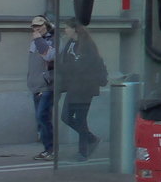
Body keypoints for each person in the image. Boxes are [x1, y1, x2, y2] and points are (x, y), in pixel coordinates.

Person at [56, 18, 107, 161]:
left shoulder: (87, 45)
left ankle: (83, 151)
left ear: (74, 29)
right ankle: (91, 138)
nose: (65, 30)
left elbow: (82, 67)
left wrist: (65, 68)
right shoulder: (70, 43)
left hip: (84, 87)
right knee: (66, 116)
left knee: (80, 119)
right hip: (73, 86)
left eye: (67, 27)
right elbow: (66, 63)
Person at [26, 15, 56, 161]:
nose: (36, 28)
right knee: (41, 119)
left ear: (47, 25)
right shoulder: (34, 41)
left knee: (43, 117)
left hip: (47, 86)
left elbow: (49, 56)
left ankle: (51, 149)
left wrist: (38, 39)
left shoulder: (52, 40)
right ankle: (47, 149)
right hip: (36, 85)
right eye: (34, 26)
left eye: (39, 25)